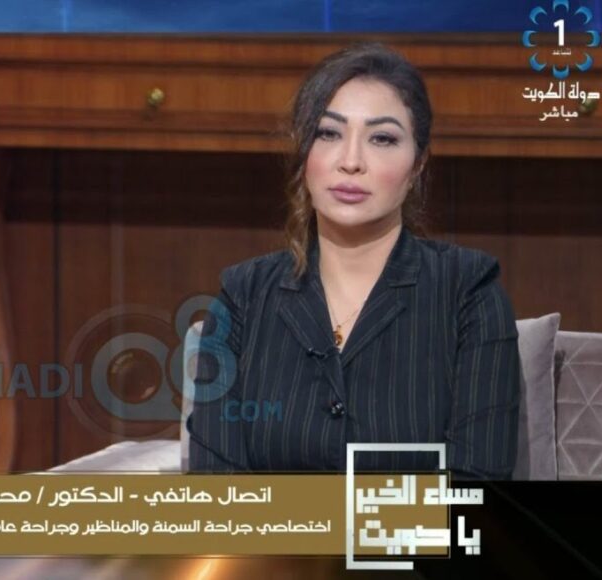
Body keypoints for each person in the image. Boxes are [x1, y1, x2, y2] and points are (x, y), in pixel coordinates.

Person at [186, 43, 520, 479]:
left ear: (418, 164)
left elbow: (475, 487)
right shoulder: (243, 297)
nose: (351, 162)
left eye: (382, 138)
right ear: (303, 153)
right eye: (328, 133)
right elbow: (217, 492)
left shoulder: (469, 292)